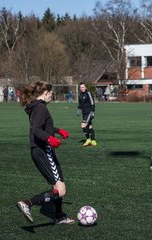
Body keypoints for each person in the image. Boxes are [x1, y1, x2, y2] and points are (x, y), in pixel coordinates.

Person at [17, 81, 75, 225]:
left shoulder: (37, 107)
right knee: (61, 190)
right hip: (42, 150)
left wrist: (57, 130)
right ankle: (27, 203)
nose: (52, 96)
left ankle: (59, 216)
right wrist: (49, 138)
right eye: (51, 93)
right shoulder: (41, 108)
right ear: (46, 92)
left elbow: (43, 126)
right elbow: (36, 130)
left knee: (59, 183)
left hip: (42, 149)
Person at [77, 82, 96, 146]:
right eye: (81, 87)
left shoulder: (88, 93)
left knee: (83, 126)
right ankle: (93, 140)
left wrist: (93, 111)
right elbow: (80, 104)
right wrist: (79, 110)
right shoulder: (80, 95)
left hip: (89, 112)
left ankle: (88, 140)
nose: (82, 88)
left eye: (83, 87)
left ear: (85, 87)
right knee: (90, 126)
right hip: (84, 113)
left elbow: (92, 102)